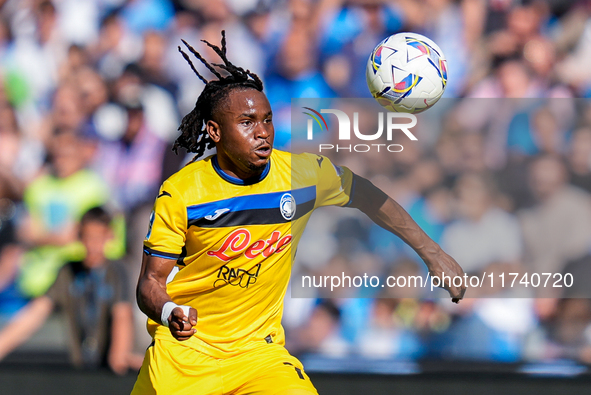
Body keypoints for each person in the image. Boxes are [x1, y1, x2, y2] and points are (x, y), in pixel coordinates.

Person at [132, 31, 465, 395]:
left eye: (267, 120)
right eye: (247, 123)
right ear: (215, 131)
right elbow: (150, 283)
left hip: (259, 355)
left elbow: (368, 196)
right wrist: (168, 312)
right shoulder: (182, 192)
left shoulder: (300, 174)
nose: (262, 133)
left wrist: (432, 253)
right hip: (186, 358)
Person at [0, 207, 140, 374]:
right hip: (82, 368)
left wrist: (119, 356)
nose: (92, 246)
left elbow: (122, 315)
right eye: (88, 238)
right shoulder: (68, 271)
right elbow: (36, 312)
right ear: (79, 236)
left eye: (98, 238)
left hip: (112, 369)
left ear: (109, 236)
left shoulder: (118, 271)